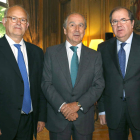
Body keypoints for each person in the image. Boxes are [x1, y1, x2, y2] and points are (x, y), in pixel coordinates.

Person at [41, 13, 105, 140]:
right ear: (65, 30)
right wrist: (64, 107)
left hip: (84, 120)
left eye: (80, 25)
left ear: (84, 31)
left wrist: (78, 105)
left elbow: (99, 85)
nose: (77, 29)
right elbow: (46, 83)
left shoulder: (95, 56)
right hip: (58, 120)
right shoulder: (51, 53)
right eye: (72, 25)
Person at [0, 5, 46, 140]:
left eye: (23, 20)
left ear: (28, 25)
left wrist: (41, 117)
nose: (18, 23)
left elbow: (41, 87)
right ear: (4, 21)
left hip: (29, 121)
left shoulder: (37, 52)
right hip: (4, 123)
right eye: (13, 18)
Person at [98, 6, 140, 140]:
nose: (119, 25)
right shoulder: (103, 48)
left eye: (123, 20)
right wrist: (102, 109)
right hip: (113, 111)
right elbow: (100, 80)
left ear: (132, 23)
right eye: (114, 21)